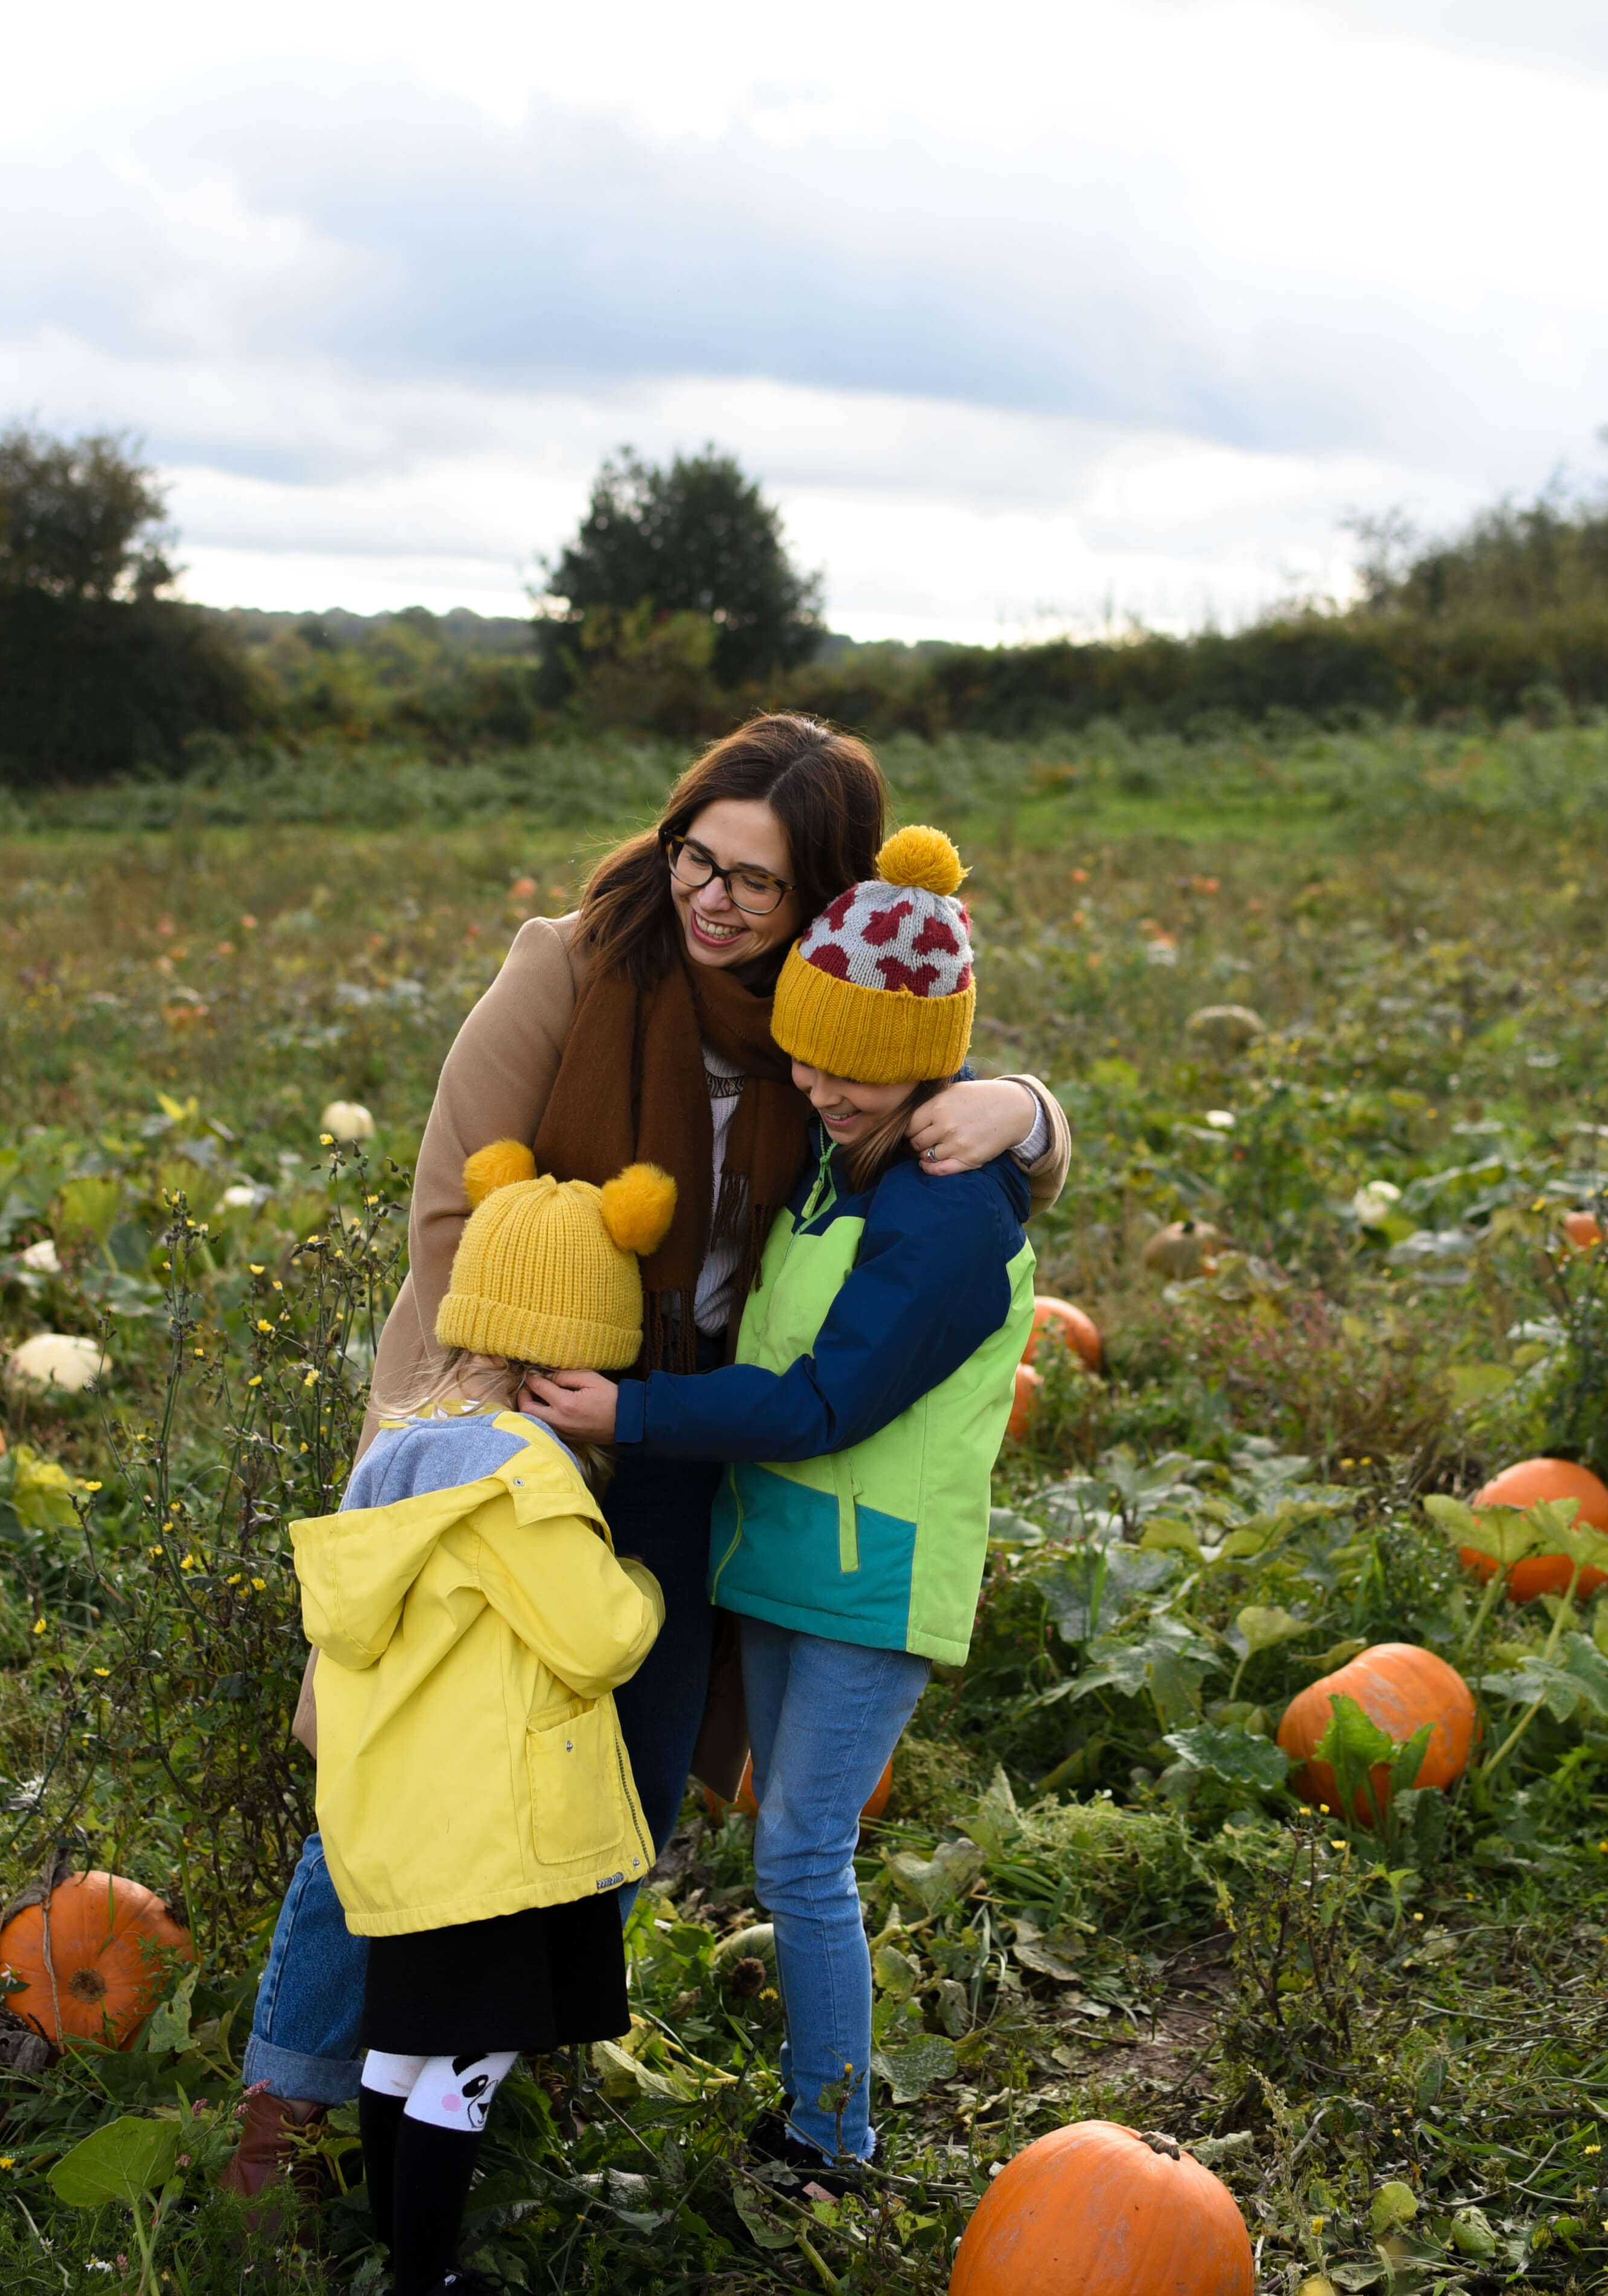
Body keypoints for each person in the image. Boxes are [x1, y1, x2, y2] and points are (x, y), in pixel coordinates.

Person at [229, 718, 1078, 2201]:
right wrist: (503, 1415)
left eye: (758, 883)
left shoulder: (828, 1038)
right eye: (702, 855)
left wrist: (1034, 1106)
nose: (716, 899)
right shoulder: (565, 966)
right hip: (492, 1411)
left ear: (823, 905)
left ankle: (499, 2055)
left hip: (687, 1436)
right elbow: (448, 1214)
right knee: (405, 1770)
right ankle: (285, 2107)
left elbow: (952, 1139)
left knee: (630, 1775)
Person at [527, 823, 1033, 2179]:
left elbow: (821, 1406)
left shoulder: (946, 1214)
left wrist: (629, 1413)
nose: (820, 1086)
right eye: (807, 1055)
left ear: (930, 1061)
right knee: (783, 1844)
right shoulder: (842, 1157)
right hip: (789, 1558)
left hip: (874, 1580)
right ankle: (815, 2114)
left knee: (805, 1856)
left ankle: (833, 2138)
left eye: (857, 1067)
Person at [291, 1147, 675, 2296]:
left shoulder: (396, 1458)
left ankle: (393, 2250)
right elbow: (599, 1635)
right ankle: (427, 2274)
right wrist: (649, 1583)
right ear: (577, 1347)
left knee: (403, 2042)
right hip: (502, 1838)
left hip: (408, 1830)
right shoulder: (524, 1480)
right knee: (471, 2055)